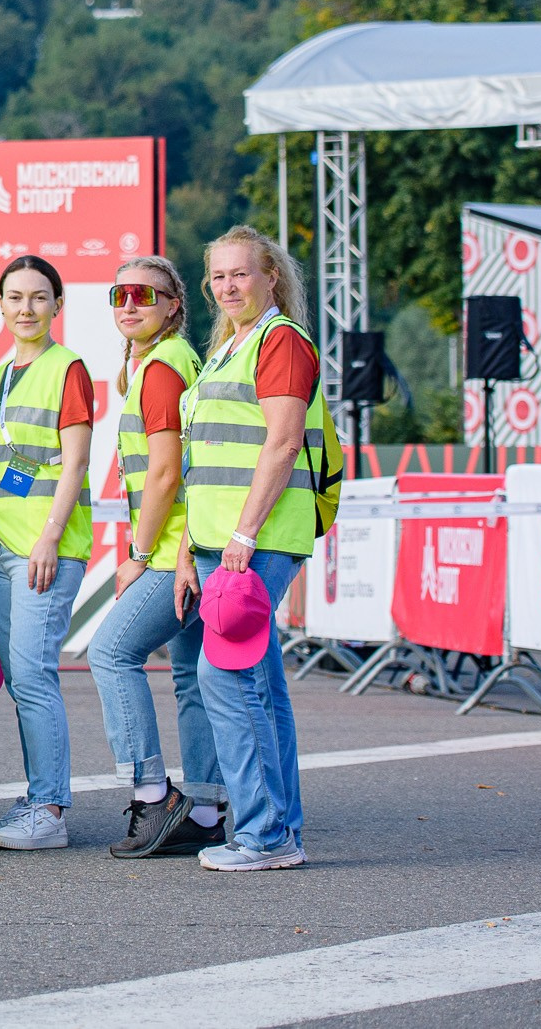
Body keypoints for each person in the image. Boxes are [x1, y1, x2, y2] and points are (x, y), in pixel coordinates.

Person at [183, 224, 333, 871]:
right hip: (226, 539)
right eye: (218, 276)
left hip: (257, 537)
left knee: (228, 675)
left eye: (240, 273)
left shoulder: (280, 341)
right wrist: (195, 542)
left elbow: (281, 441)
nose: (227, 286)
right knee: (262, 686)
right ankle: (280, 830)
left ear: (272, 275)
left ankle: (264, 835)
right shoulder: (230, 346)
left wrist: (243, 534)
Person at [89, 254, 227, 859]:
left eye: (146, 295)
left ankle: (152, 794)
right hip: (192, 545)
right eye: (119, 295)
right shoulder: (168, 362)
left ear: (174, 305)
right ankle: (202, 808)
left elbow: (167, 471)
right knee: (192, 679)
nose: (130, 305)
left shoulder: (163, 368)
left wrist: (139, 554)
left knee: (111, 651)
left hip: (174, 552)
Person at [0, 254, 94, 852]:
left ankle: (49, 808)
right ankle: (36, 795)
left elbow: (75, 463)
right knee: (20, 681)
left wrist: (48, 537)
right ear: (0, 306)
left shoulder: (67, 368)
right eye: (15, 298)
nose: (26, 308)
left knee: (35, 676)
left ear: (57, 305)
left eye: (39, 297)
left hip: (43, 550)